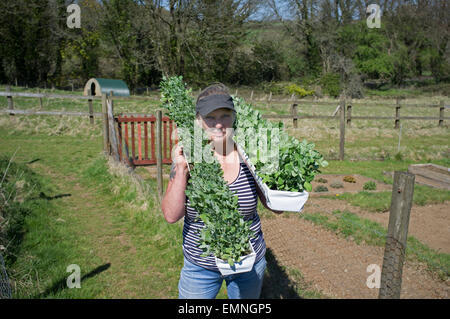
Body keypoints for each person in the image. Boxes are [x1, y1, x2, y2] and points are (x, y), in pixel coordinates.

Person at [161, 83, 282, 299]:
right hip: (200, 266)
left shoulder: (251, 156)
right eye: (210, 117)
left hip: (249, 262)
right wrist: (180, 168)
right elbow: (171, 215)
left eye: (225, 116)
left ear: (234, 118)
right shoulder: (190, 158)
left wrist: (276, 173)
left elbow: (277, 208)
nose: (219, 124)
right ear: (198, 121)